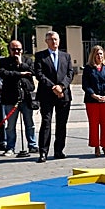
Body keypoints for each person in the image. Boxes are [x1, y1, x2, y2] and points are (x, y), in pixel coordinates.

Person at [34, 29, 73, 162]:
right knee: (46, 123)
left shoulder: (66, 56)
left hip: (64, 95)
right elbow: (39, 74)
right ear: (46, 41)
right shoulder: (40, 56)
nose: (54, 41)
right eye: (51, 39)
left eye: (56, 39)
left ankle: (59, 150)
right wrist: (53, 87)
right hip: (47, 94)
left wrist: (61, 86)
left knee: (62, 124)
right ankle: (43, 152)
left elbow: (70, 73)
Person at [0, 40, 37, 158]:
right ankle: (10, 147)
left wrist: (21, 64)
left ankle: (32, 144)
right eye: (13, 49)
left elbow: (33, 72)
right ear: (9, 49)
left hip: (25, 97)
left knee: (29, 123)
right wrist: (21, 73)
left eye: (18, 50)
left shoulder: (28, 61)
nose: (16, 52)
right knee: (10, 125)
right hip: (10, 98)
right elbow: (4, 73)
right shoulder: (3, 61)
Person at [81, 44, 105, 157]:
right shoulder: (88, 68)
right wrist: (94, 95)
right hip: (92, 101)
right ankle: (96, 147)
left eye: (101, 53)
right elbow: (85, 85)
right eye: (97, 54)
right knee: (94, 124)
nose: (99, 56)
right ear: (93, 55)